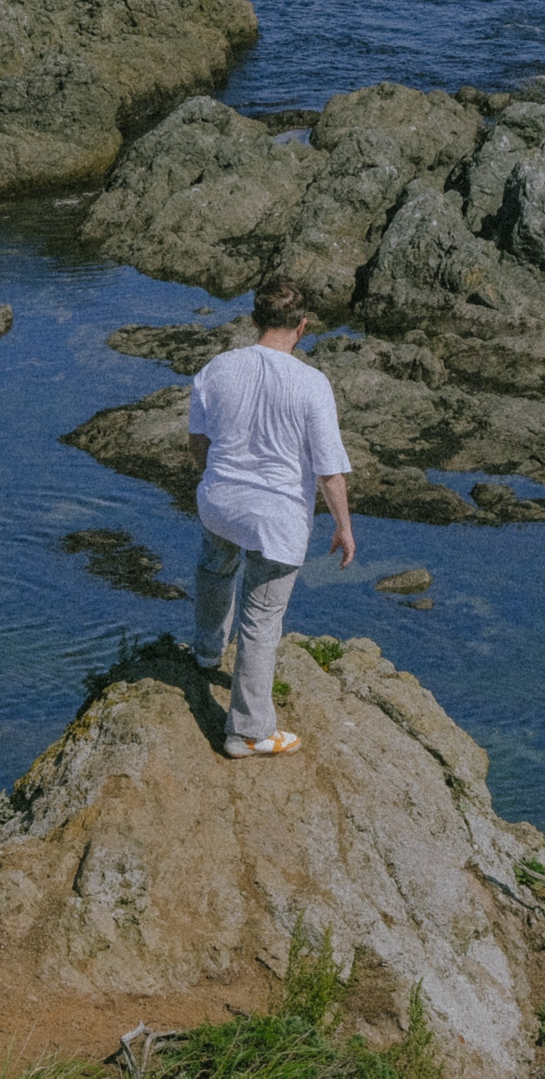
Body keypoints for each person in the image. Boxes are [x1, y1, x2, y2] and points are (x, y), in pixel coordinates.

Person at [187, 279, 354, 758]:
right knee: (261, 620)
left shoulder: (217, 368)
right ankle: (247, 731)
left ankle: (206, 651)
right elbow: (328, 471)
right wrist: (344, 528)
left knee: (215, 569)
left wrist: (215, 479)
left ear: (254, 319)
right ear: (302, 326)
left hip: (220, 503)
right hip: (276, 519)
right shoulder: (311, 384)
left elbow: (197, 443)